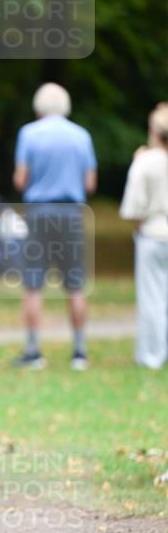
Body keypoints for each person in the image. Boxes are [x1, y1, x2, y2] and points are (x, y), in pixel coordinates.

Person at [13, 82, 97, 370]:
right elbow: (90, 182)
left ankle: (34, 350)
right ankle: (79, 351)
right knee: (75, 284)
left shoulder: (29, 134)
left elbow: (21, 179)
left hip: (38, 213)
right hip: (72, 213)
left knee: (34, 284)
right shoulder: (82, 136)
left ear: (39, 106)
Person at [120, 103, 168, 369]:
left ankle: (151, 356)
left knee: (152, 298)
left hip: (152, 233)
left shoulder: (146, 162)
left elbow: (133, 207)